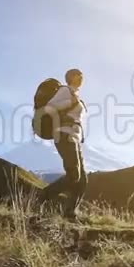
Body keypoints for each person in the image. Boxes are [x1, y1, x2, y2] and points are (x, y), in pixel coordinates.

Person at [39, 68, 88, 222]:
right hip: (64, 134)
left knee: (82, 180)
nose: (80, 77)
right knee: (74, 174)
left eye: (81, 75)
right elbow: (49, 107)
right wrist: (70, 102)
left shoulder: (76, 96)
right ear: (70, 78)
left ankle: (70, 213)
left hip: (74, 137)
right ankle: (44, 195)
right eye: (77, 74)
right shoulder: (65, 91)